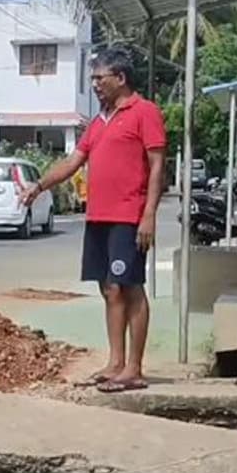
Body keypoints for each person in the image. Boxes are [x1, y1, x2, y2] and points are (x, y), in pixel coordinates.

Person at [17, 46, 166, 393]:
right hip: (98, 216)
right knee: (108, 288)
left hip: (129, 217)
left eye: (100, 78)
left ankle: (134, 368)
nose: (96, 85)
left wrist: (149, 215)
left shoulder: (145, 112)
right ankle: (115, 362)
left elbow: (157, 165)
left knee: (130, 287)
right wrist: (38, 186)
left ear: (121, 78)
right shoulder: (98, 122)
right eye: (93, 79)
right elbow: (73, 162)